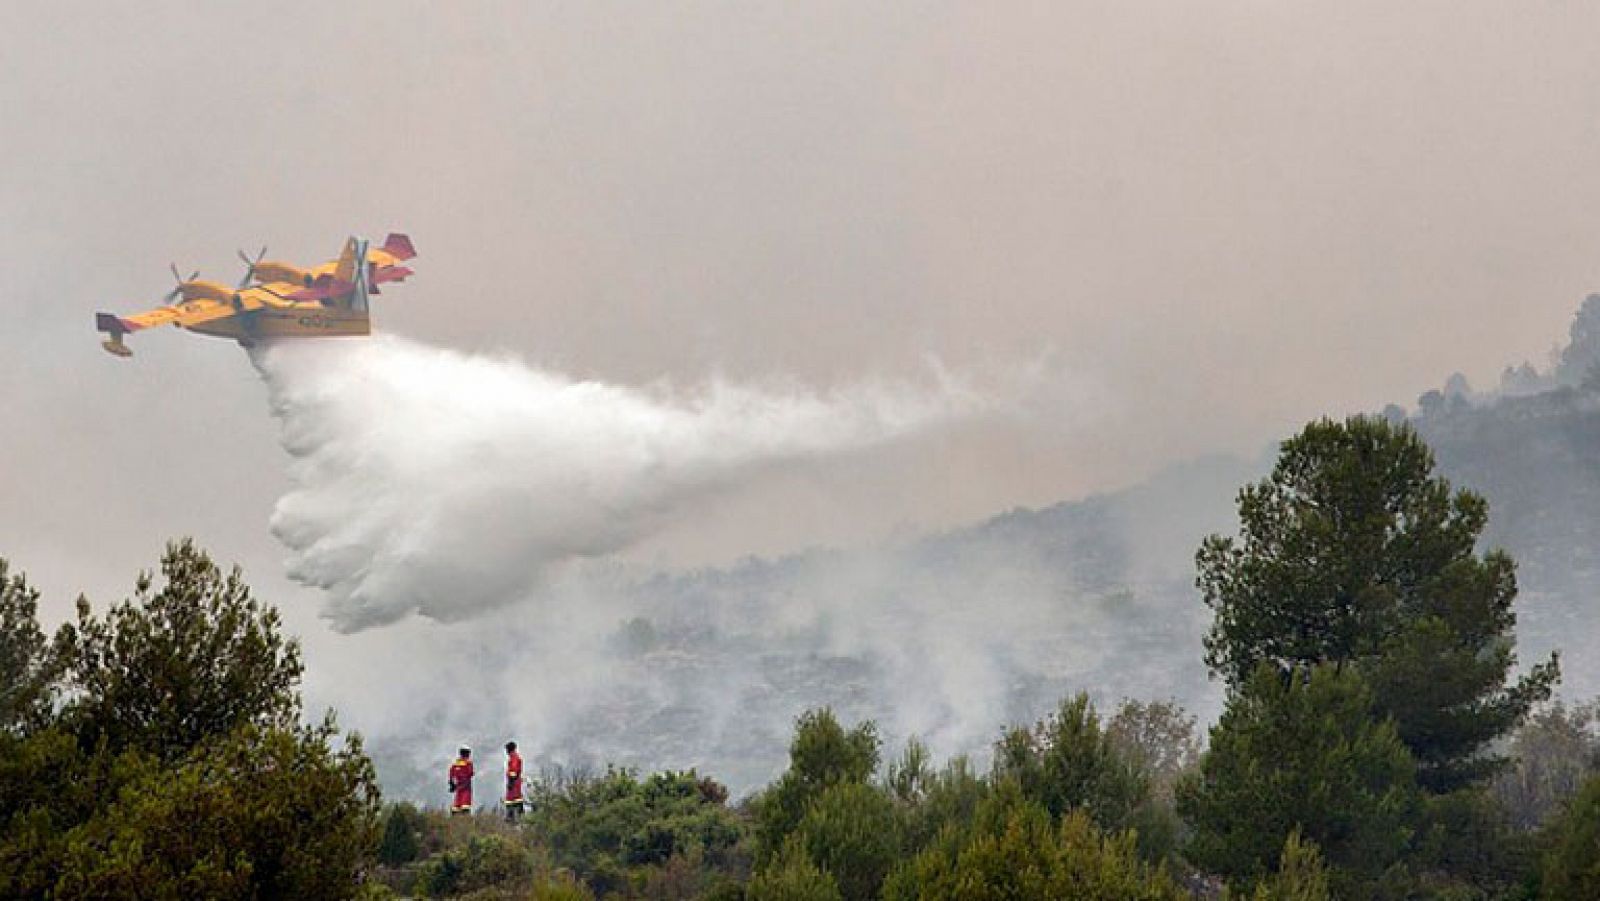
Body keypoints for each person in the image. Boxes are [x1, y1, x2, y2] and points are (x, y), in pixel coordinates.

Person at [503, 741, 526, 821]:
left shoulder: (514, 758)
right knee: (513, 800)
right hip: (514, 782)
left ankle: (513, 817)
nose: (506, 751)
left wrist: (510, 782)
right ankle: (512, 816)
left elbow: (514, 771)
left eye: (506, 749)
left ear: (509, 749)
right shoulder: (514, 757)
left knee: (515, 799)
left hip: (514, 783)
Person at [448, 746, 474, 815]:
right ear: (467, 754)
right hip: (466, 786)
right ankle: (465, 819)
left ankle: (454, 818)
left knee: (457, 803)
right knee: (465, 805)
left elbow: (451, 775)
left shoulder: (455, 763)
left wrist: (452, 785)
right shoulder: (468, 763)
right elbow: (470, 773)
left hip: (458, 786)